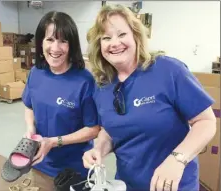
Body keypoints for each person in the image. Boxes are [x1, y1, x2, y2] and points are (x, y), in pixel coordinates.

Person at [82, 4, 217, 191]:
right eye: (106, 38)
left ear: (136, 36)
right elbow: (110, 129)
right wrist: (99, 149)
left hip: (172, 185)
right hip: (127, 184)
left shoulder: (169, 71)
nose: (114, 43)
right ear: (99, 45)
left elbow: (206, 122)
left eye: (122, 34)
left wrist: (177, 159)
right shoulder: (102, 86)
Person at [22, 11, 100, 190]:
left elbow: (94, 129)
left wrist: (54, 141)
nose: (55, 48)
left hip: (74, 170)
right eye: (50, 40)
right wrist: (30, 129)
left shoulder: (84, 81)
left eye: (63, 41)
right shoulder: (36, 73)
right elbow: (29, 105)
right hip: (39, 162)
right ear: (41, 41)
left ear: (71, 45)